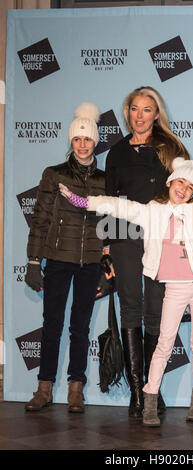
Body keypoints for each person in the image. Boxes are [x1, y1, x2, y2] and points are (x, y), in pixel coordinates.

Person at [59, 158, 193, 426]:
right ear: (170, 182)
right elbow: (117, 205)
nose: (184, 189)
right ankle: (149, 400)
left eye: (190, 187)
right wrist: (84, 202)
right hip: (174, 288)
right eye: (180, 182)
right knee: (164, 344)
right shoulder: (152, 210)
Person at [103, 86, 193, 419]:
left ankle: (152, 389)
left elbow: (189, 191)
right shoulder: (116, 152)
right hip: (124, 237)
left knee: (155, 311)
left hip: (161, 239)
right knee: (130, 308)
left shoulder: (172, 147)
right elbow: (109, 200)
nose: (140, 115)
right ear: (128, 113)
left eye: (147, 109)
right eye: (134, 109)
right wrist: (106, 248)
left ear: (156, 113)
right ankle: (138, 393)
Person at [24, 102, 106, 413]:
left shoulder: (104, 179)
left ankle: (76, 390)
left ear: (95, 142)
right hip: (57, 260)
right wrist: (34, 262)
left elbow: (110, 225)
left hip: (90, 264)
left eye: (87, 139)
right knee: (52, 325)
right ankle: (44, 389)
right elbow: (40, 218)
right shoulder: (53, 174)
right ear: (70, 142)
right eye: (77, 139)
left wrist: (106, 264)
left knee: (80, 328)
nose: (82, 145)